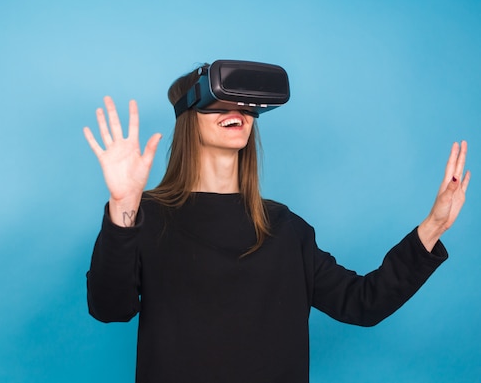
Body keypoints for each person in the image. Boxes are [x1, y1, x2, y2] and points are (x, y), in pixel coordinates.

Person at [82, 61, 470, 383]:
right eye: (221, 100)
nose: (237, 109)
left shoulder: (286, 228)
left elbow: (363, 303)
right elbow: (109, 307)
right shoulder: (145, 218)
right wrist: (123, 207)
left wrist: (433, 227)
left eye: (246, 104)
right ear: (189, 114)